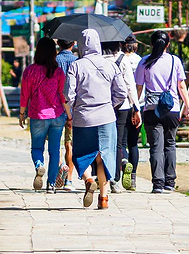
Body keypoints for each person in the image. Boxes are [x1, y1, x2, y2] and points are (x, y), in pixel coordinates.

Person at [65, 29, 127, 209]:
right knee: (104, 157)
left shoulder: (76, 66)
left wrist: (76, 106)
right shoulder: (111, 65)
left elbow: (68, 95)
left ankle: (89, 180)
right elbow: (122, 93)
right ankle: (104, 199)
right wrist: (110, 104)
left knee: (81, 155)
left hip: (83, 119)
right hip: (107, 117)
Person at [135, 31, 189, 194]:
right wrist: (187, 107)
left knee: (156, 147)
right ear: (168, 44)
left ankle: (158, 184)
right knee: (170, 144)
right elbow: (181, 86)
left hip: (152, 109)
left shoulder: (144, 62)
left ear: (151, 43)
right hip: (172, 109)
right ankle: (170, 181)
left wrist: (135, 108)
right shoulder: (175, 61)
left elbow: (139, 88)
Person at [19, 37, 67, 194]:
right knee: (55, 151)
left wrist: (21, 114)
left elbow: (24, 95)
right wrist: (69, 114)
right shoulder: (58, 71)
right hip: (57, 116)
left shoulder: (30, 71)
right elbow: (62, 95)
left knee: (37, 147)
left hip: (38, 115)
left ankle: (39, 165)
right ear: (54, 52)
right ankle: (51, 185)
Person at [113, 36, 142, 192]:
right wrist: (137, 108)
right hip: (135, 104)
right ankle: (133, 180)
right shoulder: (140, 60)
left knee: (120, 142)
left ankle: (122, 163)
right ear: (135, 45)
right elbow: (134, 85)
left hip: (119, 104)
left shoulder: (116, 59)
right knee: (133, 143)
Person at [54, 39, 77, 191]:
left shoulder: (53, 61)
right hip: (73, 107)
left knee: (55, 143)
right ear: (73, 43)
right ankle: (69, 180)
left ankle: (60, 166)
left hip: (55, 107)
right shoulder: (78, 62)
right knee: (70, 143)